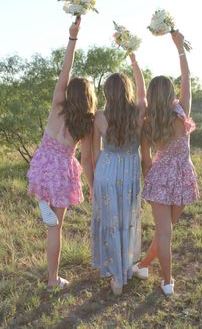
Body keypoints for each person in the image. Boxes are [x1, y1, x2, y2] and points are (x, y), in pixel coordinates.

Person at [27, 17, 96, 291]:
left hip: (45, 162)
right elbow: (88, 157)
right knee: (56, 229)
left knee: (50, 222)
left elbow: (64, 71)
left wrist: (73, 38)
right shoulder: (86, 123)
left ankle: (43, 201)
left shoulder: (57, 104)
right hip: (64, 169)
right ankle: (53, 279)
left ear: (68, 93)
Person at [138, 31, 199, 295]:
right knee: (166, 232)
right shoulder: (181, 111)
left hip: (160, 174)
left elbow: (145, 157)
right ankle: (167, 282)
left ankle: (142, 266)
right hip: (182, 173)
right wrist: (180, 48)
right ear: (172, 93)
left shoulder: (148, 120)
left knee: (165, 231)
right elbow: (187, 79)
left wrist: (148, 176)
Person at [91, 53, 146, 295]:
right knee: (126, 221)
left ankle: (117, 276)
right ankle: (125, 268)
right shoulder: (138, 111)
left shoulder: (100, 116)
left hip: (106, 170)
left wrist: (91, 182)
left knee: (110, 222)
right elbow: (143, 91)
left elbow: (92, 151)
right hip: (129, 171)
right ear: (127, 90)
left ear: (107, 93)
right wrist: (134, 61)